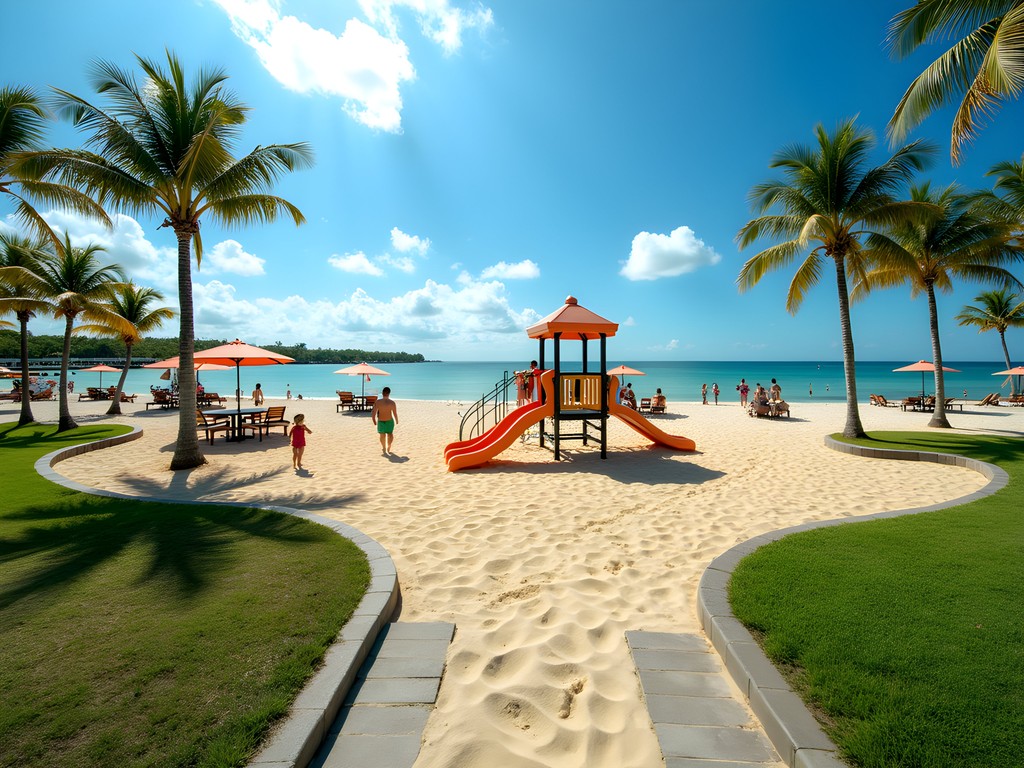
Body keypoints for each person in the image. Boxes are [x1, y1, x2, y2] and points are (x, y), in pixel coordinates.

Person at [371, 386, 399, 455]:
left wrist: (374, 420)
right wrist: (397, 420)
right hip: (389, 421)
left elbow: (373, 412)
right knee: (390, 434)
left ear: (382, 393)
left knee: (382, 435)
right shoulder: (392, 403)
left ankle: (384, 447)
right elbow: (395, 413)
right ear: (389, 393)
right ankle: (388, 447)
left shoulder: (378, 402)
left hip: (381, 421)